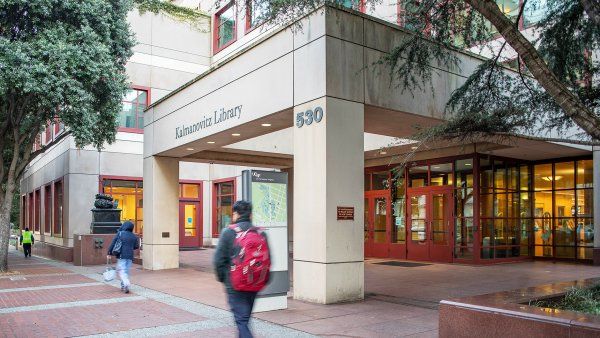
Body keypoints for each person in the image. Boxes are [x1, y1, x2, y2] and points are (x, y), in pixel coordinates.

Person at [214, 200, 269, 338]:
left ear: (235, 214)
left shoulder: (228, 232)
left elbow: (218, 260)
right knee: (245, 317)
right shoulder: (261, 234)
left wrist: (224, 279)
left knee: (241, 320)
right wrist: (263, 279)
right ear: (250, 215)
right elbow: (269, 259)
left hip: (235, 284)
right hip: (255, 283)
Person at [107, 221, 139, 293]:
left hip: (122, 255)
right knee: (126, 271)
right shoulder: (133, 235)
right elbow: (136, 246)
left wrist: (109, 253)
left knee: (121, 271)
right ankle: (123, 286)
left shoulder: (120, 233)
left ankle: (126, 283)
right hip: (130, 256)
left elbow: (113, 243)